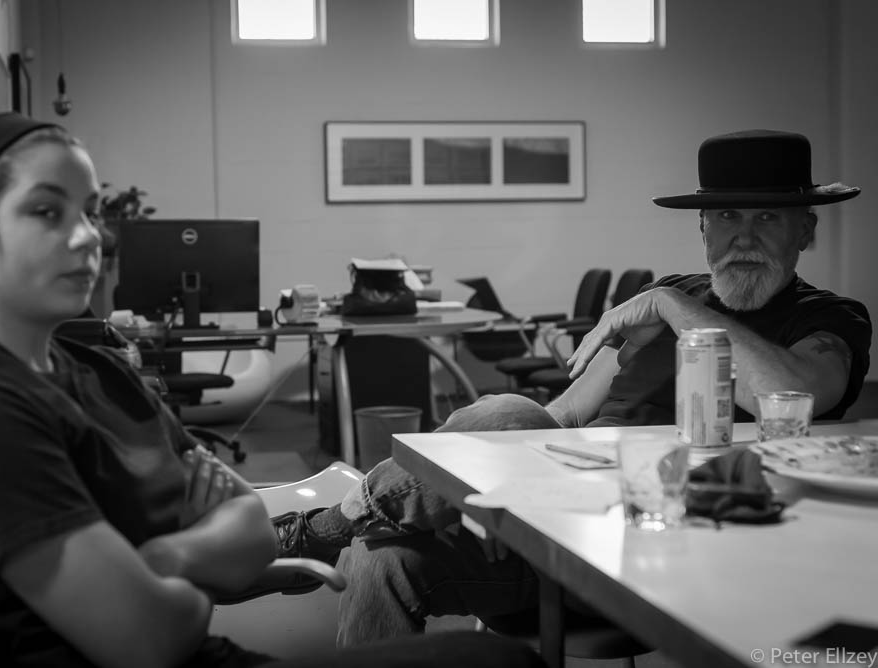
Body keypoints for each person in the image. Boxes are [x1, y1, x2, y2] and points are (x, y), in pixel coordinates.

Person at [0, 112, 544, 668]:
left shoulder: (94, 370)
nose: (90, 236)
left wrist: (160, 558)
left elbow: (252, 535)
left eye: (90, 212)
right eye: (46, 211)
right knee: (497, 661)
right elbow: (151, 638)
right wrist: (199, 553)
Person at [271, 129, 873, 645]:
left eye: (767, 217)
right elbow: (563, 417)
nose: (744, 236)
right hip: (562, 519)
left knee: (503, 415)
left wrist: (673, 306)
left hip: (679, 539)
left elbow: (798, 394)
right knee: (381, 555)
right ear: (703, 228)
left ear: (805, 230)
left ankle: (318, 532)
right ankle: (344, 529)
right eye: (726, 217)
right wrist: (493, 498)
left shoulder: (827, 319)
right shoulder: (666, 296)